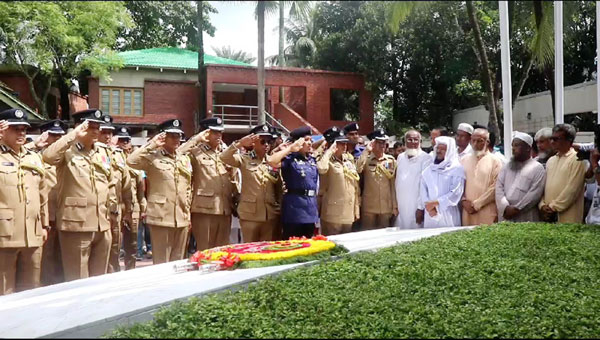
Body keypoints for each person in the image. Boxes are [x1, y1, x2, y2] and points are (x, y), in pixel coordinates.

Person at [42, 109, 112, 281]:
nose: (96, 131)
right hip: (77, 224)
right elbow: (48, 157)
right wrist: (73, 135)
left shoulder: (103, 152)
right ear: (80, 127)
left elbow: (108, 183)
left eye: (98, 127)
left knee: (99, 279)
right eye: (91, 126)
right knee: (77, 280)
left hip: (102, 223)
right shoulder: (67, 150)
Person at [126, 119, 193, 264]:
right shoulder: (153, 157)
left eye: (178, 136)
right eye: (172, 136)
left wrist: (187, 213)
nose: (177, 139)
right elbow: (131, 161)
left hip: (181, 216)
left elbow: (188, 187)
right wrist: (152, 144)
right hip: (161, 216)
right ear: (163, 137)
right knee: (162, 263)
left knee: (178, 261)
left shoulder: (184, 159)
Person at [0, 109, 48, 295]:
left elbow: (42, 193)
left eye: (24, 129)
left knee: (31, 288)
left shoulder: (33, 157)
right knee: (4, 289)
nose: (21, 133)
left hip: (33, 234)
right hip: (5, 234)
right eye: (15, 128)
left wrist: (45, 225)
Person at [178, 117, 235, 250]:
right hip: (204, 208)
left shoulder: (225, 151)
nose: (218, 136)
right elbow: (178, 154)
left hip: (224, 207)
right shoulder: (196, 151)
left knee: (222, 249)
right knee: (205, 249)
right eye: (214, 132)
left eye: (220, 132)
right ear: (205, 134)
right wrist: (196, 139)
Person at [220, 124, 281, 242]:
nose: (267, 145)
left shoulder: (272, 161)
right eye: (263, 141)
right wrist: (239, 144)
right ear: (253, 143)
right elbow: (224, 157)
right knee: (249, 249)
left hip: (270, 215)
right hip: (250, 215)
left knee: (267, 251)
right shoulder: (244, 159)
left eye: (269, 141)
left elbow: (278, 188)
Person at [26, 120, 66, 286]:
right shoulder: (35, 155)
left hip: (65, 212)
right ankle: (47, 284)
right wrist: (35, 144)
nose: (56, 139)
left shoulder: (67, 154)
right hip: (46, 214)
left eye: (59, 135)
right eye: (52, 135)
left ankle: (61, 284)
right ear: (44, 135)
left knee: (63, 254)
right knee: (46, 255)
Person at [267, 126, 318, 239]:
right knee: (292, 244)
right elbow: (271, 161)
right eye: (306, 140)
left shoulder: (311, 160)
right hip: (295, 209)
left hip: (310, 208)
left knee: (309, 245)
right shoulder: (289, 158)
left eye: (310, 140)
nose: (309, 143)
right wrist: (290, 148)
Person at [99, 114, 132, 273]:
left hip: (115, 211)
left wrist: (129, 211)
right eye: (103, 132)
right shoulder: (86, 154)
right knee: (98, 254)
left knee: (114, 251)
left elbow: (126, 186)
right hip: (97, 212)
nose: (107, 136)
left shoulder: (118, 156)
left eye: (110, 133)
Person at [539, 124, 586, 223]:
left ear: (568, 140)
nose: (552, 142)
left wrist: (553, 207)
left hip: (568, 217)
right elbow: (542, 187)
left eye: (556, 139)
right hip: (548, 217)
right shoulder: (550, 160)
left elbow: (572, 190)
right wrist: (542, 205)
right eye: (551, 138)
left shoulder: (577, 159)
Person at [317, 128, 360, 235]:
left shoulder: (349, 160)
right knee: (332, 244)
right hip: (333, 212)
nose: (344, 146)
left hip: (348, 211)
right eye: (340, 144)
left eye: (345, 143)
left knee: (347, 244)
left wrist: (356, 208)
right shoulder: (326, 160)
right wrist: (329, 151)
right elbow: (321, 169)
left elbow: (355, 185)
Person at [495, 132, 546, 222]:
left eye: (517, 146)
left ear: (528, 148)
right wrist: (505, 207)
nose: (513, 149)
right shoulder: (506, 166)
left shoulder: (537, 168)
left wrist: (517, 209)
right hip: (505, 213)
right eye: (512, 146)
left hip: (525, 214)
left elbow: (534, 194)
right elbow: (499, 187)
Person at [115, 127, 146, 270]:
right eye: (121, 140)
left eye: (127, 140)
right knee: (114, 243)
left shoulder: (134, 163)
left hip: (133, 207)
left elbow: (141, 188)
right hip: (116, 206)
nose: (124, 143)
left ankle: (130, 270)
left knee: (132, 244)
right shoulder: (111, 158)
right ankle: (113, 272)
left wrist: (142, 207)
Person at [460, 128, 503, 226]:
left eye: (480, 141)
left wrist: (477, 205)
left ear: (487, 142)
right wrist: (463, 201)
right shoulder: (463, 160)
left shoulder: (495, 161)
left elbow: (495, 187)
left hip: (486, 210)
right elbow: (458, 184)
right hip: (467, 211)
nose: (475, 144)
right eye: (473, 141)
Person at [357, 129, 398, 229]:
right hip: (369, 207)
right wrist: (367, 150)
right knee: (367, 236)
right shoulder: (365, 159)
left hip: (386, 207)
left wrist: (394, 205)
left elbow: (392, 184)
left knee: (384, 237)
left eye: (384, 142)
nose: (382, 145)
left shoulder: (390, 160)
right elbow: (357, 169)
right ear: (373, 143)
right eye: (379, 142)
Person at [420, 137, 465, 228]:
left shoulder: (456, 169)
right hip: (431, 213)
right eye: (438, 148)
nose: (439, 151)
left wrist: (437, 203)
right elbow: (423, 190)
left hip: (449, 213)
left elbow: (456, 192)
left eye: (443, 149)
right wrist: (429, 206)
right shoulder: (428, 170)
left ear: (449, 152)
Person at [393, 129, 432, 229]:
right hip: (401, 204)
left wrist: (420, 208)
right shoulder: (400, 157)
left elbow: (425, 185)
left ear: (420, 142)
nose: (413, 143)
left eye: (416, 140)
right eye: (409, 140)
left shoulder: (426, 158)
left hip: (416, 205)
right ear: (405, 142)